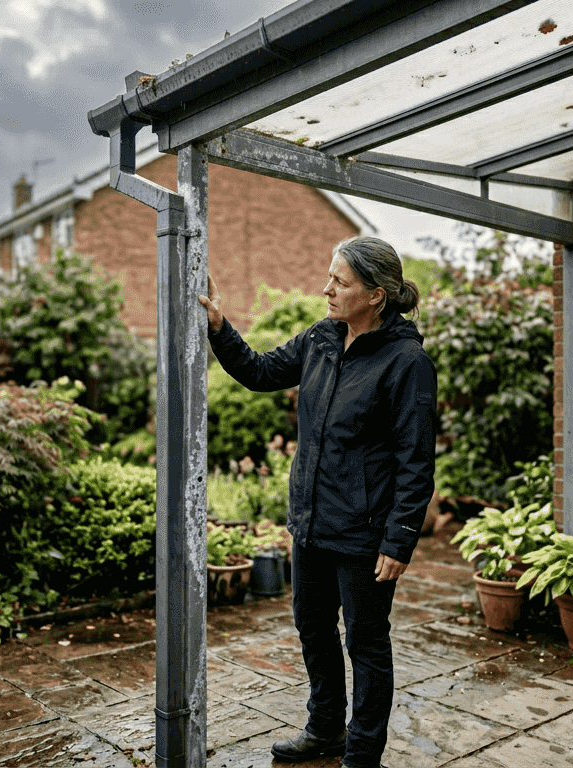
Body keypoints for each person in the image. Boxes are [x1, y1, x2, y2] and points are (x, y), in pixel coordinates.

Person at [198, 236, 436, 768]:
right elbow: (259, 371)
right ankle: (325, 727)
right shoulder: (320, 340)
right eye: (329, 277)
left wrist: (399, 540)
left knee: (366, 643)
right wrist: (219, 326)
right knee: (312, 627)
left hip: (365, 533)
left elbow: (415, 461)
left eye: (340, 282)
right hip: (311, 524)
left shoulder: (407, 361)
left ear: (375, 295)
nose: (325, 289)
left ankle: (362, 751)